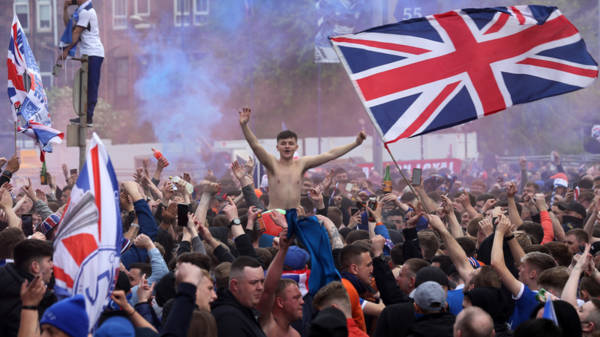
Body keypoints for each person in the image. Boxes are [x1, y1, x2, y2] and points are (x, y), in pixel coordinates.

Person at [239, 107, 366, 210]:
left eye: (290, 143)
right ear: (277, 147)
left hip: (296, 216)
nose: (287, 146)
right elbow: (255, 145)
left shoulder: (301, 163)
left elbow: (330, 154)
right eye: (283, 144)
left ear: (296, 147)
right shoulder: (272, 163)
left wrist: (355, 143)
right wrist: (244, 126)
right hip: (274, 216)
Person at [61, 0, 104, 126]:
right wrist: (64, 9)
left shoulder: (86, 12)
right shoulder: (79, 12)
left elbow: (76, 32)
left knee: (91, 86)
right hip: (88, 53)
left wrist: (66, 50)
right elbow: (69, 28)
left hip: (94, 52)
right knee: (85, 86)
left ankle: (88, 117)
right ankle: (84, 116)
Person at [0, 239, 56, 337]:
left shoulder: (7, 283)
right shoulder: (22, 304)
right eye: (49, 261)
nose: (53, 265)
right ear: (35, 266)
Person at [211, 256, 267, 337]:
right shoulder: (228, 319)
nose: (260, 287)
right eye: (253, 282)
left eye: (262, 281)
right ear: (235, 285)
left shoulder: (243, 309)